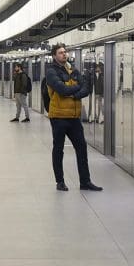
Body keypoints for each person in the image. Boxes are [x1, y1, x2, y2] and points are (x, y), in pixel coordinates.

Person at [45, 44, 102, 192]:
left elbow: (86, 88)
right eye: (61, 53)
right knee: (58, 149)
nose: (64, 54)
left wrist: (74, 94)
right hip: (58, 117)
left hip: (74, 117)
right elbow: (62, 90)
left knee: (81, 148)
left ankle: (85, 181)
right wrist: (76, 87)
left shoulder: (73, 70)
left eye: (65, 52)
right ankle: (60, 181)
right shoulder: (51, 72)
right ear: (54, 56)